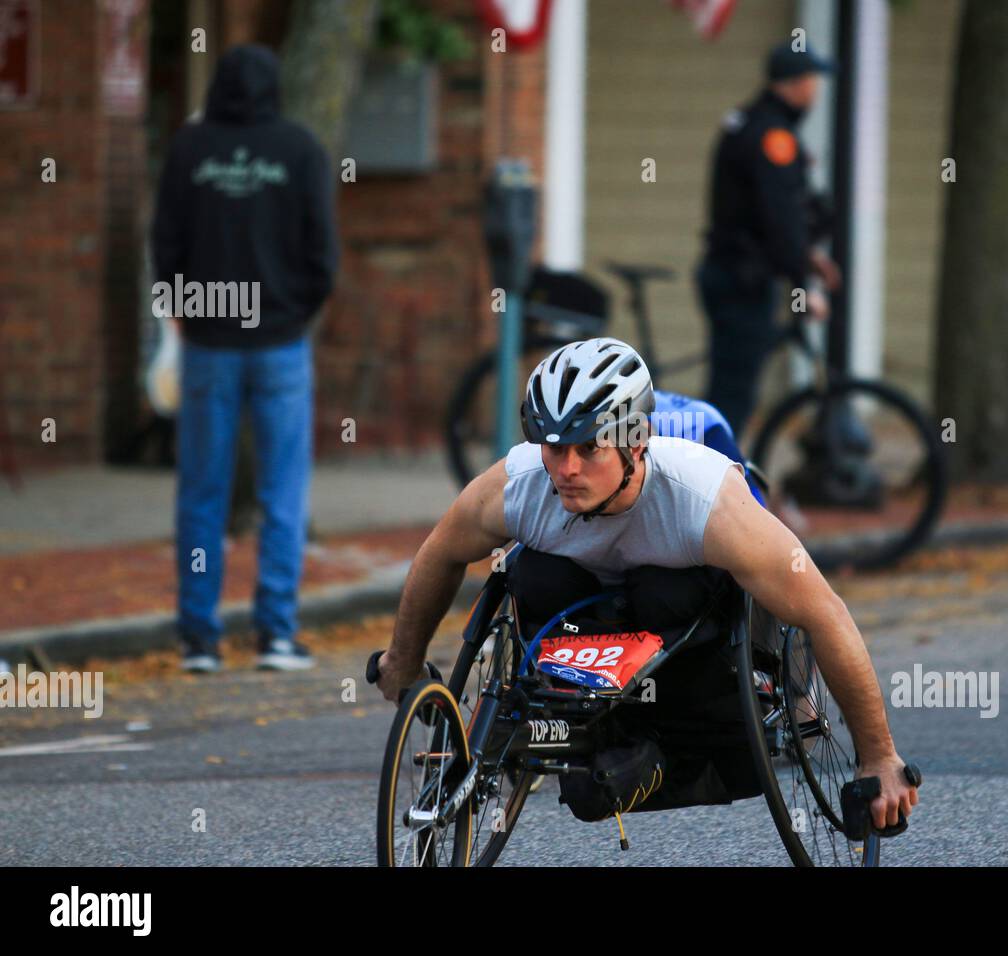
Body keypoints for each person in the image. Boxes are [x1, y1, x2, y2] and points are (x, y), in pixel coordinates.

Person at [374, 338, 917, 831]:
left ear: (636, 446)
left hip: (684, 633)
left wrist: (879, 756)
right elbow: (438, 554)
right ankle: (538, 724)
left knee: (663, 589)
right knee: (534, 573)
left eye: (588, 449)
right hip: (582, 621)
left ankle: (685, 721)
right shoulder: (519, 486)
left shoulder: (705, 502)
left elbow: (824, 612)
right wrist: (403, 663)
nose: (565, 468)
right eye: (552, 447)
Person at [152, 45, 339, 672]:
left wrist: (183, 307)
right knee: (284, 491)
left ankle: (198, 639)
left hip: (208, 345)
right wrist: (293, 312)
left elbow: (165, 242)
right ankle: (276, 634)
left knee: (201, 490)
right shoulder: (301, 149)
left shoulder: (189, 149)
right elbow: (323, 255)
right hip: (280, 343)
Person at [697, 40, 841, 439]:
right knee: (732, 396)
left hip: (728, 269)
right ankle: (708, 489)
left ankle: (713, 479)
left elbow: (761, 213)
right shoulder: (772, 137)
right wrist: (803, 283)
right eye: (811, 80)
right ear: (792, 84)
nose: (815, 91)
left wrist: (807, 259)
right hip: (742, 279)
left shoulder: (747, 121)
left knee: (730, 387)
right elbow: (781, 217)